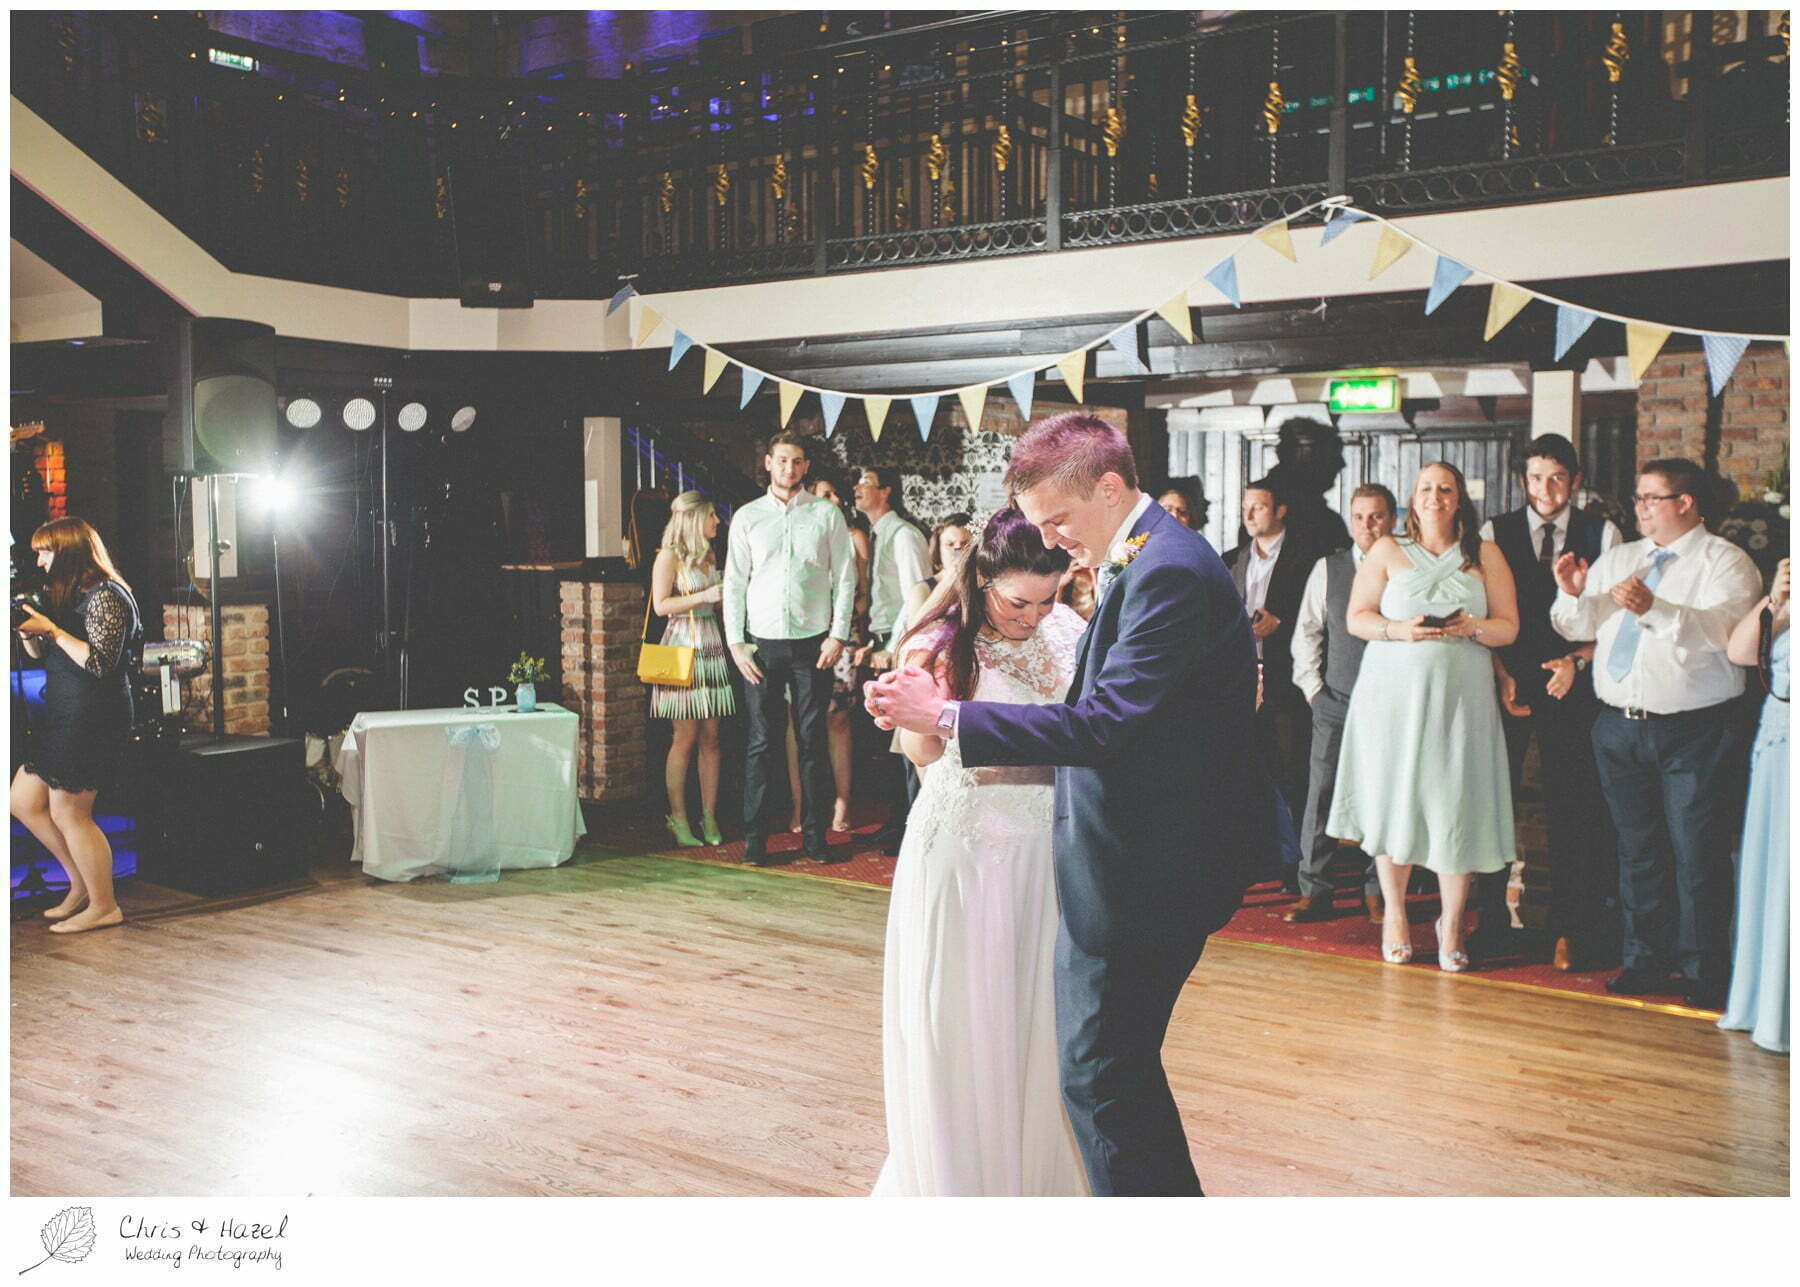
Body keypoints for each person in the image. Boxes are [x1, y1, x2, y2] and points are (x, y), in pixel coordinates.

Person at [868, 412, 1273, 1196]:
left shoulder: (1168, 571)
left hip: (1146, 868)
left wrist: (948, 716)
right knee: (1108, 1073)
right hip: (1114, 857)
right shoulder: (1153, 561)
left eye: (1059, 518)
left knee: (1099, 1074)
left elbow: (1103, 723)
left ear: (1111, 487)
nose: (1052, 540)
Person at [872, 506, 1089, 1195]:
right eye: (1019, 599)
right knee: (966, 1031)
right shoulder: (939, 644)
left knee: (1041, 1035)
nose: (1034, 614)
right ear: (984, 577)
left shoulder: (1069, 629)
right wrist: (915, 712)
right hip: (967, 859)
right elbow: (923, 754)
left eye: (1049, 596)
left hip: (1048, 859)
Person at [1552, 458, 1762, 1011]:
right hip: (1619, 725)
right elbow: (1579, 627)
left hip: (1694, 730)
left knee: (1697, 851)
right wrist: (1575, 593)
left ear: (1685, 504)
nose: (1640, 508)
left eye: (1651, 498)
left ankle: (1705, 968)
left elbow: (1727, 634)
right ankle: (1645, 958)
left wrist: (1657, 608)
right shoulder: (1620, 558)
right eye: (1640, 498)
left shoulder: (1726, 562)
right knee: (1637, 848)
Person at [1329, 463, 1521, 971]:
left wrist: (1472, 627)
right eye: (1426, 489)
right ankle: (1395, 915)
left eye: (1445, 489)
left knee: (1455, 802)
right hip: (1392, 698)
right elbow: (1356, 618)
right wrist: (1400, 630)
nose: (1435, 497)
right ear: (1412, 499)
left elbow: (1509, 628)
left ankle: (1452, 921)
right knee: (1398, 799)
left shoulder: (1486, 553)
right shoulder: (1387, 550)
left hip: (1462, 702)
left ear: (1460, 499)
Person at [1478, 436, 1624, 968]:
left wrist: (1577, 662)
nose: (1546, 489)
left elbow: (1615, 617)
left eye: (1557, 477)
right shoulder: (1495, 531)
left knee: (1574, 809)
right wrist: (1500, 676)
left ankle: (1570, 929)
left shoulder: (1602, 532)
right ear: (1524, 481)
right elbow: (1483, 609)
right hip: (1509, 683)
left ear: (1575, 481)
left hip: (1572, 683)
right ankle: (1490, 921)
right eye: (1537, 478)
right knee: (1494, 802)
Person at [723, 431, 857, 866]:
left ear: (805, 466)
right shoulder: (747, 517)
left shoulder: (825, 516)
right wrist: (736, 643)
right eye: (782, 460)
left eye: (797, 462)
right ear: (768, 462)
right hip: (759, 645)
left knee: (812, 739)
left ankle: (816, 839)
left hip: (813, 643)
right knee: (761, 742)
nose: (789, 469)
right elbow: (733, 583)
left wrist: (838, 635)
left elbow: (845, 577)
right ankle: (756, 840)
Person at [10, 517, 143, 934]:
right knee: (23, 801)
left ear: (67, 551)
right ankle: (82, 885)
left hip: (92, 714)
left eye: (45, 551)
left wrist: (51, 628)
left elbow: (99, 663)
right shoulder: (69, 593)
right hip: (63, 711)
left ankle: (104, 905)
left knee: (70, 812)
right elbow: (41, 653)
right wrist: (29, 631)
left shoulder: (109, 596)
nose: (39, 559)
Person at [1285, 483, 1397, 924]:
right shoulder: (1327, 569)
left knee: (1384, 797)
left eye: (1376, 516)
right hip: (1335, 699)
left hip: (1390, 704)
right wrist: (1314, 691)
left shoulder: (1402, 568)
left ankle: (1379, 891)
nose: (1367, 526)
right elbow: (1308, 632)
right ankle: (1315, 889)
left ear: (1392, 519)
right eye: (1359, 517)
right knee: (1322, 794)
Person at [1719, 556, 1788, 1053]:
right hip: (1780, 750)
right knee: (1777, 869)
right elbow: (1741, 651)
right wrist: (1777, 598)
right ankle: (1769, 1002)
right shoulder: (1787, 597)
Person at [1230, 477, 1313, 885]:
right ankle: (1255, 859)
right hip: (1242, 685)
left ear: (1280, 511)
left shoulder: (1306, 559)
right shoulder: (1232, 558)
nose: (1248, 515)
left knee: (1293, 774)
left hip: (1286, 683)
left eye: (1258, 506)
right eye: (1246, 506)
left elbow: (1319, 618)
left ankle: (1295, 867)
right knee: (1248, 773)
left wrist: (1281, 623)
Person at [782, 477, 871, 835]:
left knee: (836, 718)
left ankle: (842, 802)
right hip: (801, 637)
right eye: (826, 494)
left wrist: (843, 630)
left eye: (836, 492)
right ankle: (800, 805)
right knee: (797, 721)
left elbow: (863, 594)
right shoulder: (799, 532)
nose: (835, 498)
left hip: (841, 637)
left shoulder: (853, 537)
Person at [648, 492, 734, 848]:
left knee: (712, 737)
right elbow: (660, 605)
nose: (717, 521)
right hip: (681, 645)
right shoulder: (669, 556)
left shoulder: (711, 555)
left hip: (711, 645)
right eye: (712, 515)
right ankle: (678, 817)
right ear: (695, 518)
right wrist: (705, 596)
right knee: (684, 737)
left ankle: (709, 815)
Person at [855, 467, 931, 854]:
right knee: (884, 743)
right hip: (880, 641)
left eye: (866, 483)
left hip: (899, 646)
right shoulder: (878, 534)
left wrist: (893, 646)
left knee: (905, 744)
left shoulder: (904, 536)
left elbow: (915, 596)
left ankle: (912, 828)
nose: (857, 489)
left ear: (886, 491)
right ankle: (895, 822)